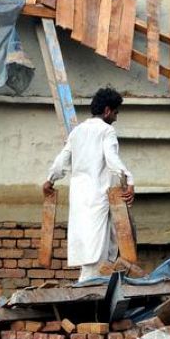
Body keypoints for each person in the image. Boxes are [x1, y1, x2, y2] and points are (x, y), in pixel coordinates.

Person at [43, 87, 135, 282]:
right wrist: (129, 180)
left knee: (89, 246)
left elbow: (61, 161)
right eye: (116, 113)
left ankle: (90, 284)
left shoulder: (77, 132)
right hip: (98, 198)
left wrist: (50, 180)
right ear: (108, 111)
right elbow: (112, 159)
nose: (116, 118)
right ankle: (92, 290)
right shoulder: (106, 131)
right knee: (98, 249)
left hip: (79, 199)